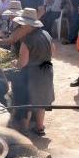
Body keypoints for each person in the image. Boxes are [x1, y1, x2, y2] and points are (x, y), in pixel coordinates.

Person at [14, 8, 55, 136]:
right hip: (47, 70)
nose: (20, 26)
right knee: (41, 101)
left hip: (32, 74)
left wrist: (15, 64)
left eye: (22, 24)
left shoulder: (27, 40)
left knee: (28, 101)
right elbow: (53, 51)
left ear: (28, 25)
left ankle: (24, 130)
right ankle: (39, 127)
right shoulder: (46, 34)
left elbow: (23, 63)